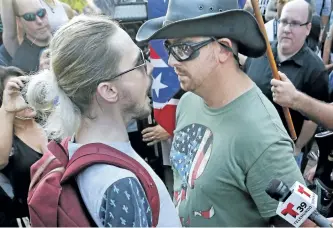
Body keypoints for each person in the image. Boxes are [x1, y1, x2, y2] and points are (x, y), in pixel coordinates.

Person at [136, 0, 311, 226]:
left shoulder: (262, 136)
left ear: (222, 49)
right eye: (170, 48)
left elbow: (303, 224)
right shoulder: (188, 101)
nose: (171, 61)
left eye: (183, 48)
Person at [25, 15, 181, 227]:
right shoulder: (119, 182)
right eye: (139, 63)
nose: (150, 68)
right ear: (108, 90)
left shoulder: (73, 149)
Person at [244, 0, 329, 170]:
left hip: (282, 156)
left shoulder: (316, 70)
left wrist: (297, 147)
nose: (287, 29)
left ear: (307, 28)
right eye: (284, 21)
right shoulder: (260, 53)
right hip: (247, 145)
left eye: (296, 23)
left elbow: (312, 120)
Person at [0, 66, 47, 226]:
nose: (25, 98)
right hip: (30, 219)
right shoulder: (6, 141)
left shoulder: (51, 121)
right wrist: (7, 110)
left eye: (25, 89)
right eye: (15, 93)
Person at [1, 0, 52, 73]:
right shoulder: (21, 62)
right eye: (29, 16)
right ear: (19, 22)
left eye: (41, 13)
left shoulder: (62, 37)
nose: (39, 21)